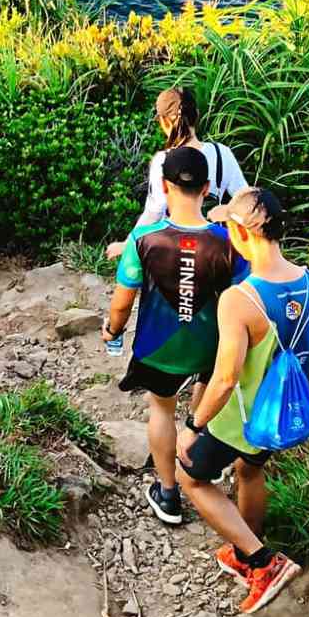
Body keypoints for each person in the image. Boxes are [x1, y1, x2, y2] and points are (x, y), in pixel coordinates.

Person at [174, 183, 309, 616]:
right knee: (249, 469)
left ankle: (263, 562)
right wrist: (300, 396)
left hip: (240, 417)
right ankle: (246, 552)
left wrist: (192, 427)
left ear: (243, 233)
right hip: (279, 415)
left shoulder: (240, 299)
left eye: (230, 228)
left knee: (189, 475)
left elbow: (225, 378)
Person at [102, 145, 237, 526]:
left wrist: (112, 330)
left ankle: (168, 493)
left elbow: (122, 303)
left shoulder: (143, 239)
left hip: (158, 348)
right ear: (207, 188)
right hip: (211, 348)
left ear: (164, 186)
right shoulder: (228, 242)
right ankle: (198, 462)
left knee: (161, 409)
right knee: (203, 399)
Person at [106, 88, 246, 262]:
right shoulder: (221, 153)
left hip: (171, 254)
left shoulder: (162, 160)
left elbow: (153, 213)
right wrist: (229, 213)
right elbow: (245, 199)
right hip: (211, 252)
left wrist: (127, 244)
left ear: (164, 122)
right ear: (196, 114)